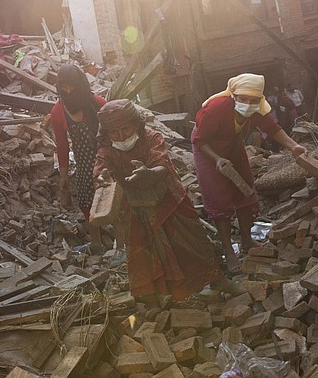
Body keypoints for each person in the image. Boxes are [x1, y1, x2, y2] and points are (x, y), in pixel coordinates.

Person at [93, 100, 243, 301]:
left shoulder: (152, 138)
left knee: (194, 240)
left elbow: (162, 164)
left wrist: (150, 174)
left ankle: (216, 278)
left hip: (170, 200)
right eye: (113, 132)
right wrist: (103, 178)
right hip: (135, 209)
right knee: (144, 252)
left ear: (136, 124)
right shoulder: (107, 151)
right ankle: (153, 298)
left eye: (125, 129)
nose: (120, 137)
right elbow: (101, 172)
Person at [192, 74, 306, 272]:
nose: (247, 103)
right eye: (243, 99)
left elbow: (272, 128)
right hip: (206, 147)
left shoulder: (256, 110)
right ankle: (228, 250)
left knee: (246, 188)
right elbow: (200, 140)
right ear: (234, 96)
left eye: (253, 100)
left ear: (259, 100)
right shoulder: (216, 109)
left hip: (231, 143)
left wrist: (294, 146)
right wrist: (217, 160)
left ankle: (246, 240)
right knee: (218, 197)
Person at [49, 65, 106, 236]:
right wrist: (64, 176)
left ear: (80, 84)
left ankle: (121, 239)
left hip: (106, 160)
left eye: (72, 86)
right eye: (64, 87)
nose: (68, 90)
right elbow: (62, 146)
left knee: (113, 197)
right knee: (86, 202)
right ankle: (98, 240)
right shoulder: (58, 111)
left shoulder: (98, 103)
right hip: (84, 165)